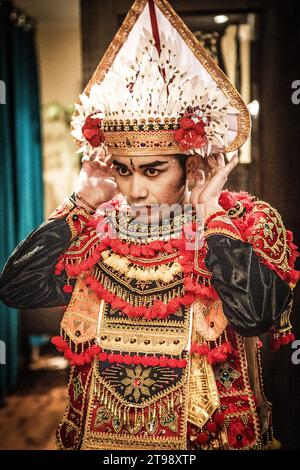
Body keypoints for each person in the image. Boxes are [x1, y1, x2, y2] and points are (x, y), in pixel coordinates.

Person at [0, 0, 299, 451]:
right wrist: (82, 200)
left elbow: (256, 315)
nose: (134, 190)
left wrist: (210, 213)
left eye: (153, 170)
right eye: (123, 169)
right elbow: (15, 288)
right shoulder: (96, 233)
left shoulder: (239, 225)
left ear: (192, 166)